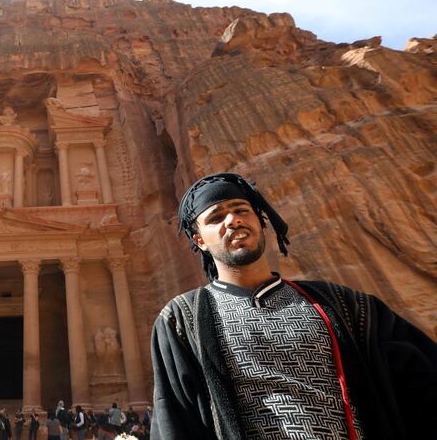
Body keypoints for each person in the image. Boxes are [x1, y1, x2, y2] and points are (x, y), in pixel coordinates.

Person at [151, 172, 437, 439]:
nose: (232, 220)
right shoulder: (182, 320)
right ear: (199, 240)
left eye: (241, 210)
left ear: (260, 221)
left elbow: (421, 379)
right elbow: (174, 420)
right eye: (216, 217)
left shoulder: (341, 304)